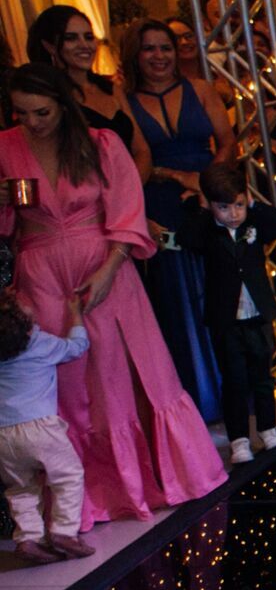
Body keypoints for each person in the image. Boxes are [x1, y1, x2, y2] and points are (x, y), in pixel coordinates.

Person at [0, 64, 225, 530]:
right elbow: (6, 231)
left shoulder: (100, 142)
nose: (32, 122)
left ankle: (140, 484)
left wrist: (110, 267)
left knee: (116, 374)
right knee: (64, 383)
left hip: (106, 265)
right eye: (21, 113)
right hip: (39, 273)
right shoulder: (3, 148)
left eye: (41, 111)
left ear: (62, 105)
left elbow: (126, 210)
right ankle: (77, 501)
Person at [125, 17, 240, 417]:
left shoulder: (201, 90)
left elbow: (228, 142)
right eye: (149, 48)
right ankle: (197, 401)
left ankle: (237, 398)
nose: (159, 56)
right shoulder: (126, 99)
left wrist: (208, 184)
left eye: (165, 47)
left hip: (207, 200)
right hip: (159, 205)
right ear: (136, 56)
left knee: (220, 293)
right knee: (176, 302)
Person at [177, 160, 276, 463]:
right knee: (234, 381)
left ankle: (268, 428)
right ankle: (239, 439)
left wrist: (253, 204)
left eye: (239, 205)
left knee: (262, 376)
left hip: (256, 314)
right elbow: (186, 239)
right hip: (225, 318)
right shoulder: (206, 231)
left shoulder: (253, 222)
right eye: (224, 208)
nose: (233, 214)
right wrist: (202, 209)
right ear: (212, 205)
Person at [0, 291, 92, 564]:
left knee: (20, 487)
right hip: (40, 427)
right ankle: (64, 532)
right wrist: (75, 314)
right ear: (26, 325)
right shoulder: (39, 344)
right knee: (68, 477)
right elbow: (77, 346)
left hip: (3, 433)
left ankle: (29, 537)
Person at [28, 6, 150, 178]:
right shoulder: (48, 98)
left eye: (88, 37)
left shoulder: (111, 89)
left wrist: (128, 191)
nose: (84, 45)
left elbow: (141, 150)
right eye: (71, 38)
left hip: (132, 189)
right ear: (50, 46)